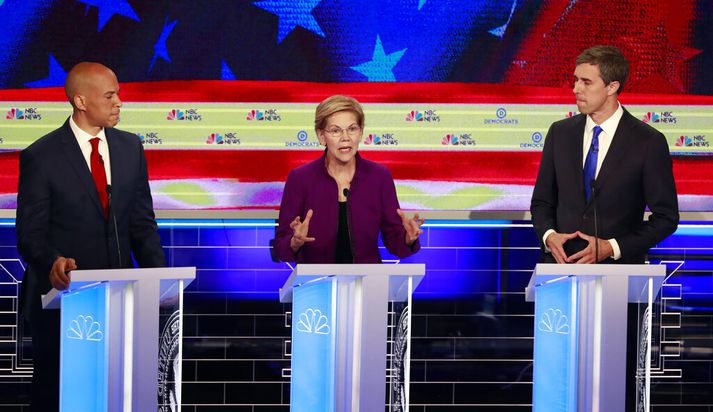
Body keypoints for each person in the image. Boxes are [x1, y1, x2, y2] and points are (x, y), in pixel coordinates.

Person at [16, 62, 165, 411]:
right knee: (59, 396)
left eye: (118, 94)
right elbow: (30, 233)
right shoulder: (42, 155)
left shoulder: (130, 148)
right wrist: (53, 260)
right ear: (81, 101)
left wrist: (157, 278)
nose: (119, 103)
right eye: (110, 95)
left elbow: (142, 223)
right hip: (63, 302)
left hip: (120, 301)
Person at [530, 45, 679, 265]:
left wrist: (613, 247)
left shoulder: (647, 142)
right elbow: (542, 202)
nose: (576, 89)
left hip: (618, 272)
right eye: (576, 80)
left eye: (586, 82)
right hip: (560, 268)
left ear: (612, 87)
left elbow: (666, 218)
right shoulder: (560, 133)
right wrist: (549, 236)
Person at [274, 95, 424, 263]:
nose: (345, 137)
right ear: (321, 136)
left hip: (367, 283)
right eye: (335, 130)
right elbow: (281, 248)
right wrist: (295, 242)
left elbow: (395, 243)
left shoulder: (379, 177)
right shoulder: (300, 178)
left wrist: (408, 238)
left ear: (360, 132)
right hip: (316, 284)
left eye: (352, 129)